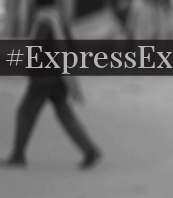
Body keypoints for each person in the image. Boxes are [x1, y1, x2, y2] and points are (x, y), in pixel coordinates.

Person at [3, 0, 102, 169]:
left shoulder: (43, 22)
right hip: (59, 77)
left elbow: (36, 50)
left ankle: (18, 155)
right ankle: (90, 150)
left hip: (43, 78)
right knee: (64, 115)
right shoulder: (58, 19)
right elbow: (71, 47)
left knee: (25, 113)